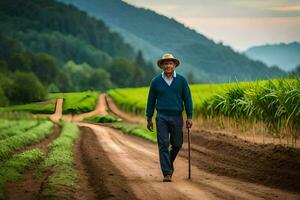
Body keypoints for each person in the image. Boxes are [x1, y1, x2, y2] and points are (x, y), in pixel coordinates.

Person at [146, 53, 193, 182]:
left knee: (177, 144)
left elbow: (187, 99)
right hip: (161, 116)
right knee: (163, 144)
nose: (168, 66)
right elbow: (151, 100)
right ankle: (167, 173)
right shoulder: (156, 82)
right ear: (162, 65)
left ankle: (168, 162)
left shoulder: (181, 81)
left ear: (174, 65)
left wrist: (189, 116)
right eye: (166, 63)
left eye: (170, 63)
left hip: (177, 116)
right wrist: (149, 117)